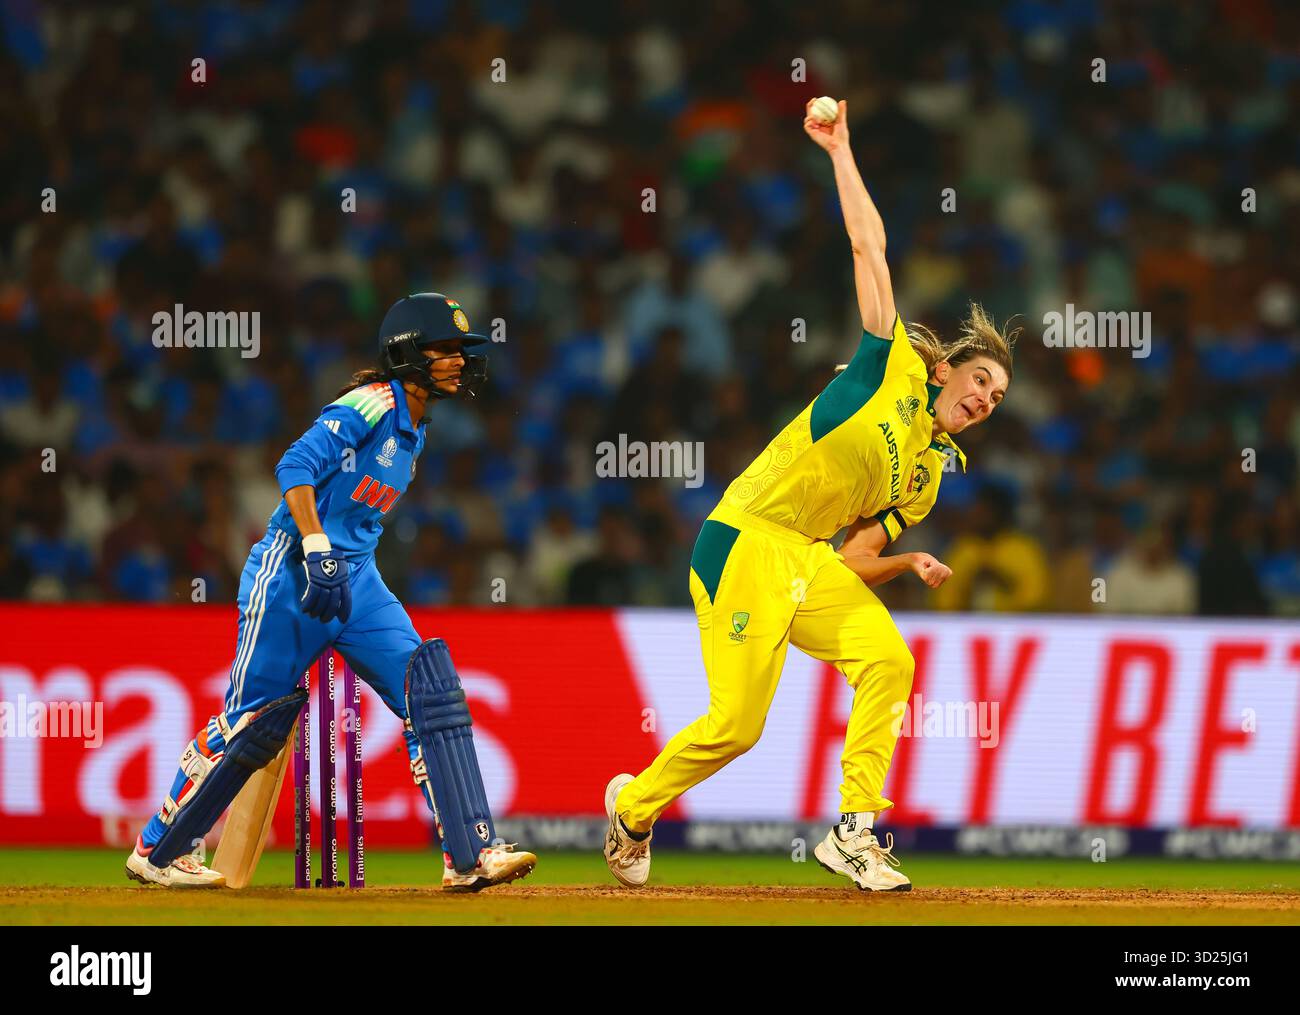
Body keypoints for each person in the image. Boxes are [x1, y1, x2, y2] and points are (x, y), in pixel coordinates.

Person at [603, 100, 1016, 892]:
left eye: (997, 398)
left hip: (805, 561)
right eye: (981, 380)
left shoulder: (930, 475)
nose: (987, 398)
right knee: (739, 727)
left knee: (888, 658)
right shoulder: (891, 362)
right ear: (948, 369)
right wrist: (839, 149)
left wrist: (908, 561)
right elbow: (870, 241)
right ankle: (634, 804)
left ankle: (855, 828)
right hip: (745, 536)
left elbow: (855, 558)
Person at [126, 293, 536, 890]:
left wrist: (340, 559)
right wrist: (317, 546)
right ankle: (157, 851)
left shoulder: (416, 428)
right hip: (292, 571)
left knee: (432, 694)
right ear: (407, 353)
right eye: (444, 350)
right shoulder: (370, 404)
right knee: (252, 723)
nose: (457, 361)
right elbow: (294, 466)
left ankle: (470, 855)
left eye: (459, 352)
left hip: (358, 581)